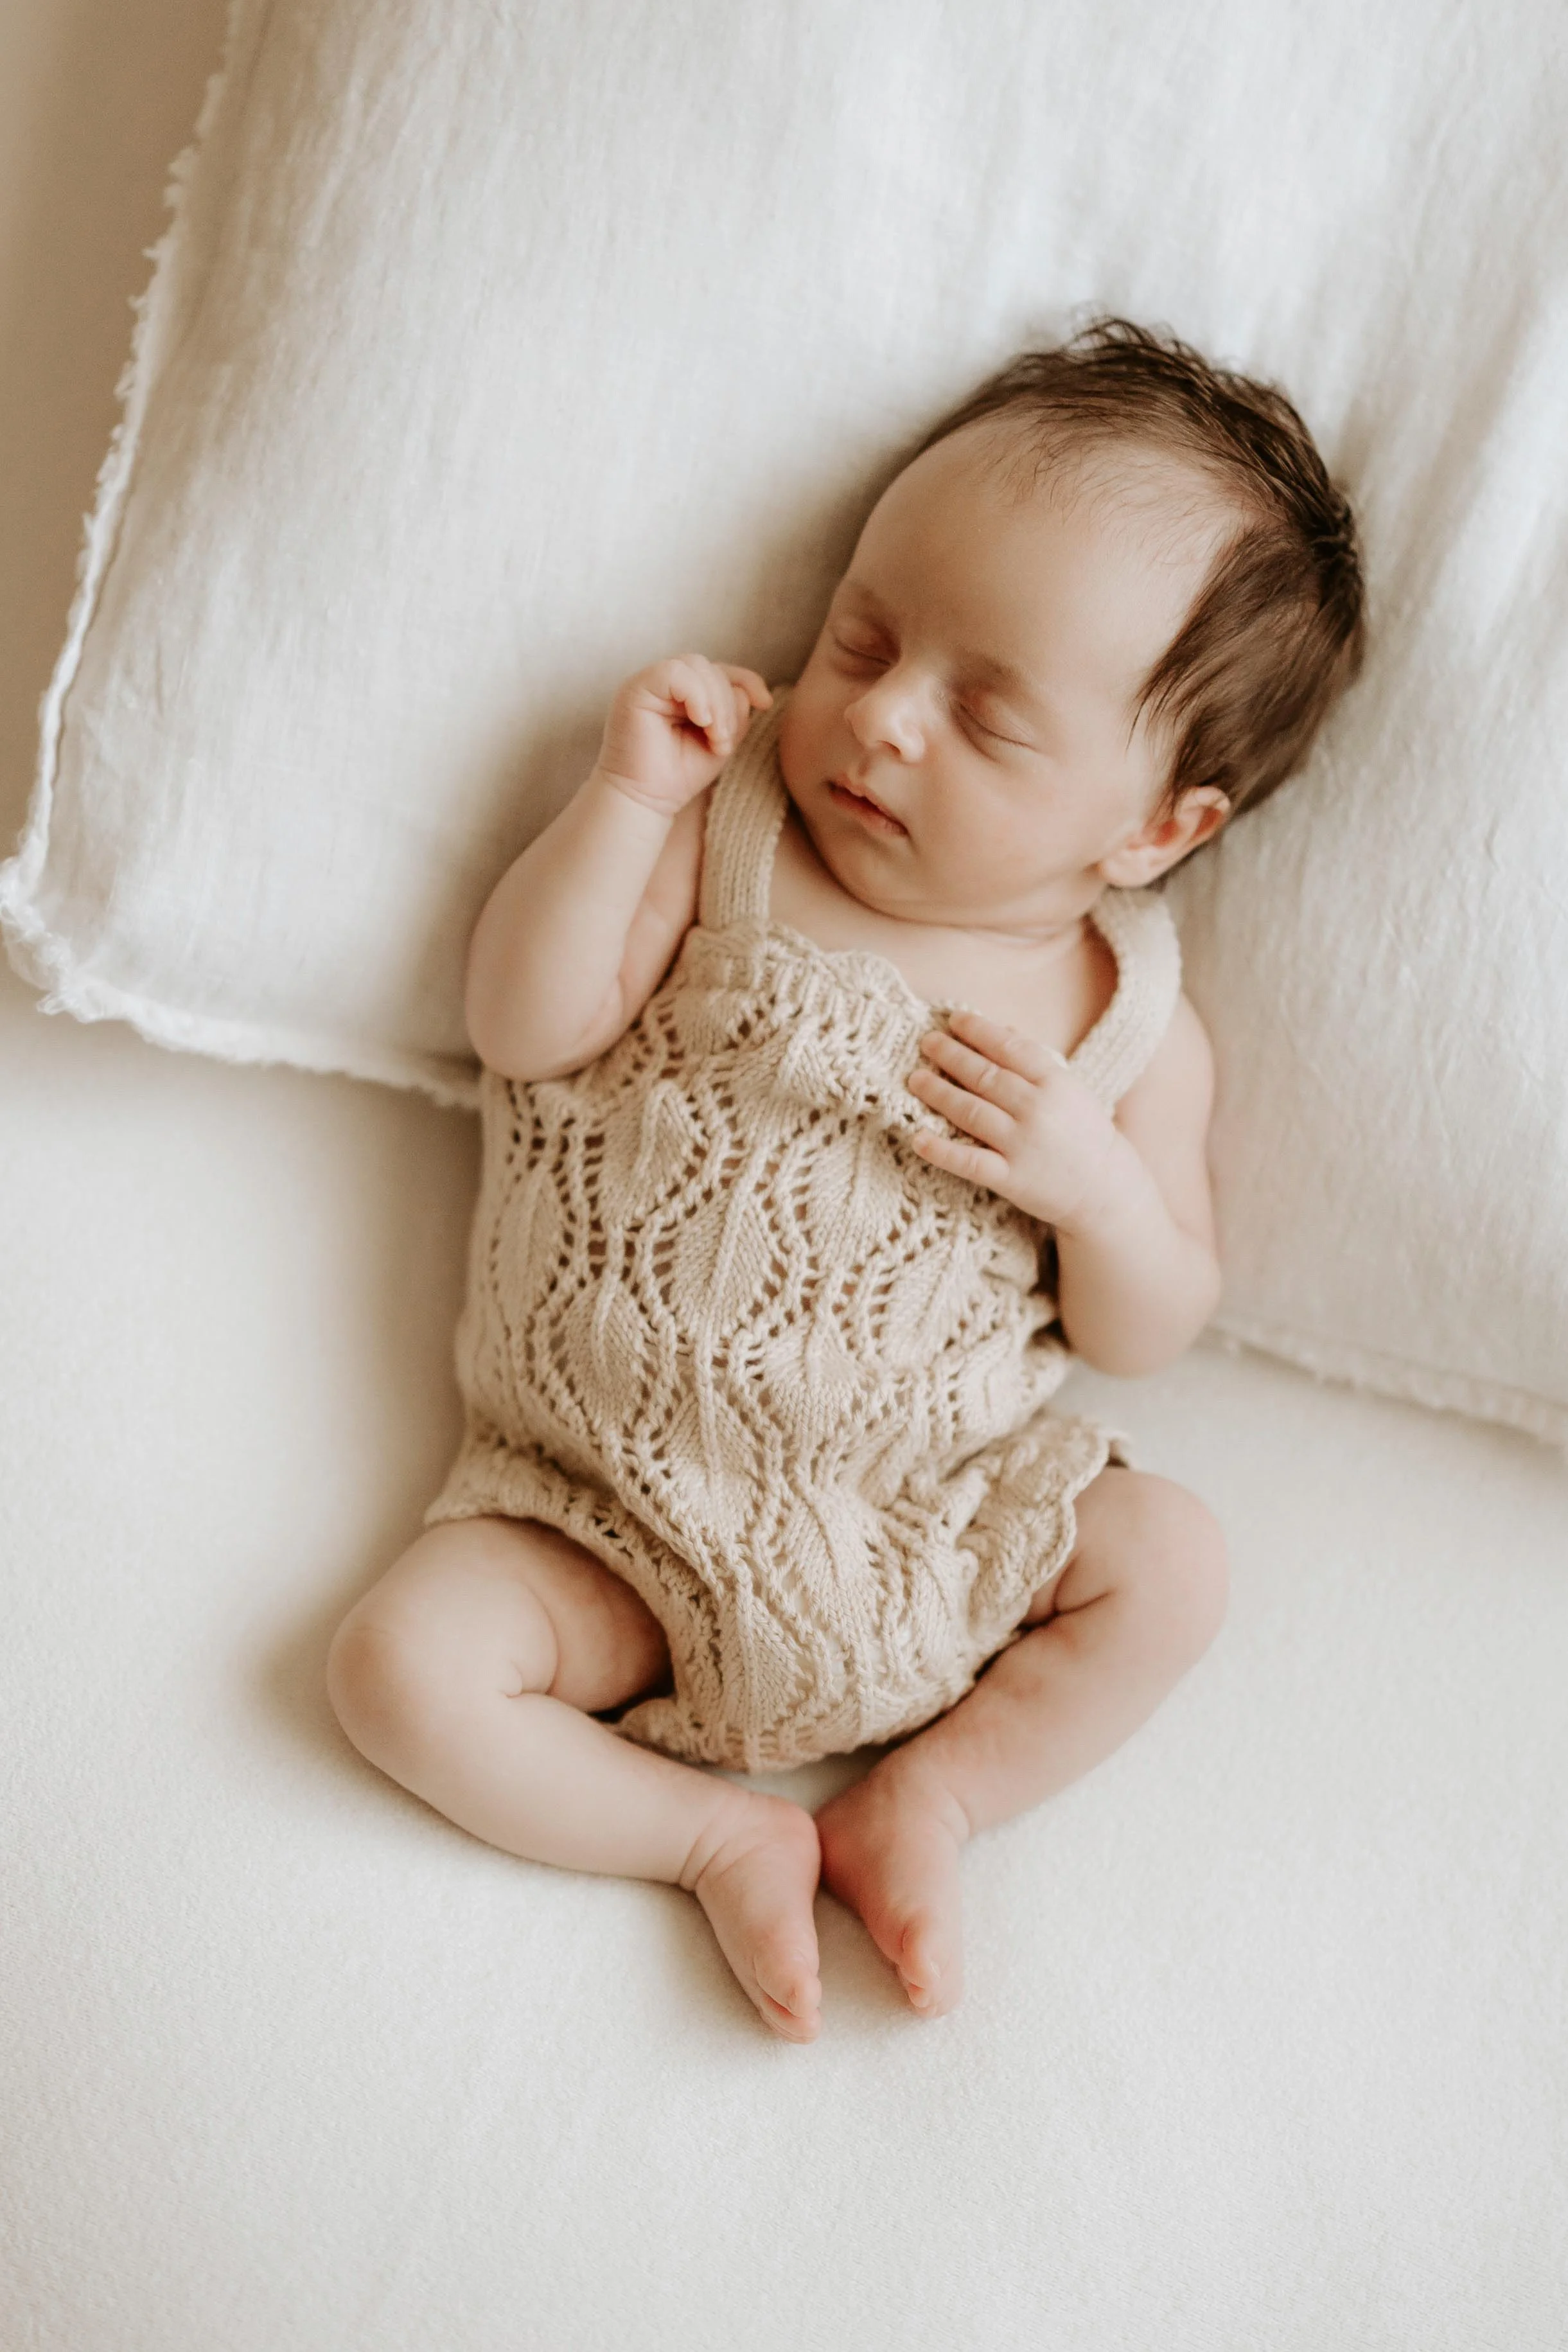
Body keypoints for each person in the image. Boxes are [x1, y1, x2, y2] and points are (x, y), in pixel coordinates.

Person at [326, 319, 1365, 2043]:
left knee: (1169, 1564)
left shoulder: (1129, 1030)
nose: (878, 719)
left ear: (1158, 826)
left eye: (986, 715)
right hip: (600, 1516)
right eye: (865, 635)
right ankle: (711, 1832)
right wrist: (618, 799)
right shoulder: (730, 825)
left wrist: (1093, 1190)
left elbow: (1151, 1320)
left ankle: (931, 1797)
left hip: (929, 1527)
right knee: (397, 1667)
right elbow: (523, 1024)